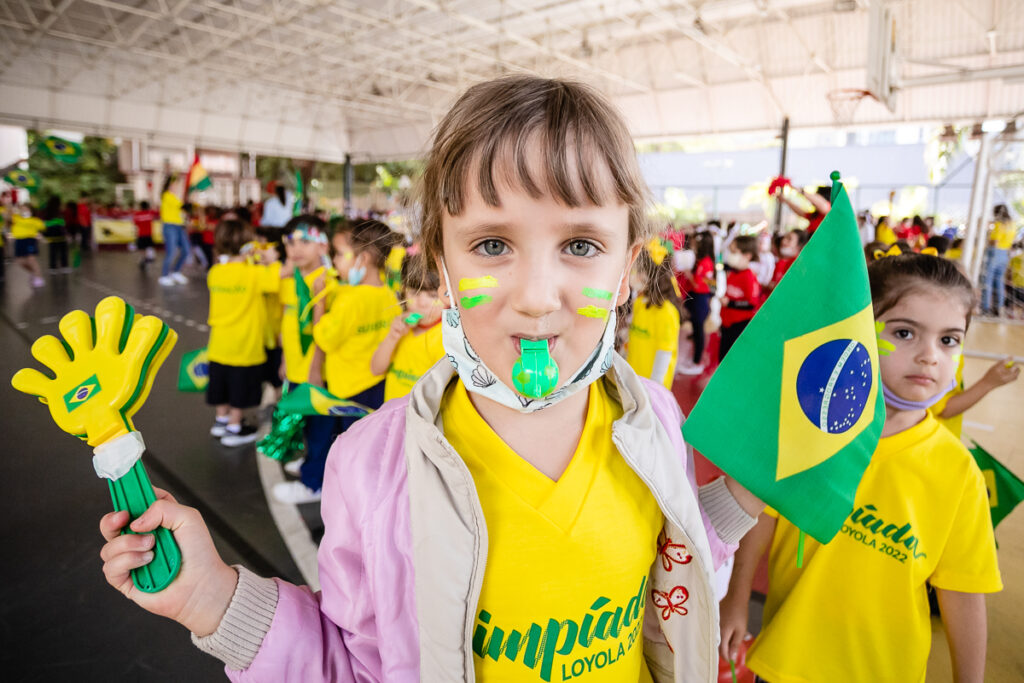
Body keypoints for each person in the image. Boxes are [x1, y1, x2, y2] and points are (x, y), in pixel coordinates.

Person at [98, 75, 762, 681]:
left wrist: (737, 499)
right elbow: (353, 660)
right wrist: (215, 598)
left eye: (581, 245)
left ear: (624, 273)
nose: (536, 296)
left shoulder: (653, 419)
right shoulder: (370, 466)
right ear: (442, 270)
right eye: (492, 245)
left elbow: (672, 559)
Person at [720, 252, 1002, 683]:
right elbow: (764, 516)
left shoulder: (958, 471)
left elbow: (963, 591)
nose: (930, 356)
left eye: (949, 340)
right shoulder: (813, 429)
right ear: (860, 330)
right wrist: (736, 598)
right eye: (905, 332)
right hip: (785, 661)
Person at [272, 218, 401, 504]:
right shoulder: (386, 293)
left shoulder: (349, 301)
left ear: (363, 259)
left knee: (342, 442)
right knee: (358, 444)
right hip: (373, 383)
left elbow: (325, 337)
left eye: (340, 254)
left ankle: (321, 487)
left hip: (346, 388)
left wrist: (319, 305)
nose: (335, 262)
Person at [205, 218, 281, 447]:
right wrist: (271, 259)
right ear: (248, 245)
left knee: (221, 384)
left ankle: (221, 420)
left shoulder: (215, 272)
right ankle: (234, 427)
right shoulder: (254, 274)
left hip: (219, 344)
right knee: (239, 388)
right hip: (245, 344)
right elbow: (276, 281)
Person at [275, 215, 336, 478]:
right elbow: (286, 321)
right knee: (304, 421)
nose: (296, 249)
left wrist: (316, 367)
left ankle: (315, 479)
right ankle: (310, 462)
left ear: (323, 245)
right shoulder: (290, 281)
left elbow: (325, 332)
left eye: (305, 242)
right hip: (296, 367)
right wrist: (284, 360)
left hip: (318, 371)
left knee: (321, 427)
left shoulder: (328, 282)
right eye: (290, 243)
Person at [370, 252, 444, 402]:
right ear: (403, 290)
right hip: (392, 412)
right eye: (414, 293)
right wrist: (392, 337)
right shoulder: (399, 326)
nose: (422, 303)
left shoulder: (445, 337)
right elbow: (376, 369)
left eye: (433, 296)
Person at [626, 244, 682, 389]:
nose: (631, 275)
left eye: (636, 271)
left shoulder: (666, 312)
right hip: (634, 377)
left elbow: (664, 353)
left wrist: (655, 386)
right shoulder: (639, 302)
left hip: (651, 385)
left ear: (649, 275)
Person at [719, 235, 760, 361]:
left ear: (747, 255)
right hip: (727, 323)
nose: (730, 255)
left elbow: (752, 304)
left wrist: (730, 303)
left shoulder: (749, 276)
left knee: (732, 359)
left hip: (739, 325)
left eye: (734, 252)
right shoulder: (733, 272)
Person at [679, 231, 715, 373]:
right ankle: (694, 358)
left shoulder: (707, 263)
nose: (693, 244)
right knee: (695, 328)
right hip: (695, 298)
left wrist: (689, 275)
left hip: (700, 299)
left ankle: (696, 361)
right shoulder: (701, 260)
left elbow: (703, 285)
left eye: (695, 242)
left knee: (699, 331)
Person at [980, 204, 1016, 316]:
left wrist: (987, 240)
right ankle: (998, 307)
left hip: (994, 252)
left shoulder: (998, 225)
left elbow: (994, 241)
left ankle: (985, 307)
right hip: (1005, 254)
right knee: (999, 281)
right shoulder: (1012, 225)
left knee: (987, 280)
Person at [159, 176, 188, 286]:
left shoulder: (175, 197)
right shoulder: (166, 196)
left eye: (177, 184)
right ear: (169, 185)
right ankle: (164, 275)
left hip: (179, 226)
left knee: (186, 250)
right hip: (170, 226)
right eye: (174, 184)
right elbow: (183, 207)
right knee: (171, 252)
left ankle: (176, 272)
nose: (176, 186)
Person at [11, 204, 45, 287]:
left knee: (31, 259)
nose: (24, 211)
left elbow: (42, 227)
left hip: (30, 240)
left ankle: (39, 277)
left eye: (26, 209)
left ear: (31, 211)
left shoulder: (35, 220)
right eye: (22, 209)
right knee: (20, 261)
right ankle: (33, 272)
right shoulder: (16, 218)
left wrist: (39, 235)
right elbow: (8, 217)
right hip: (19, 241)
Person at [41, 196, 69, 273]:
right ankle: (64, 266)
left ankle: (52, 267)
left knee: (52, 251)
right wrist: (66, 233)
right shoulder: (59, 212)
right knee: (63, 250)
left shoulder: (47, 211)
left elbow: (45, 223)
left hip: (51, 234)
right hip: (60, 234)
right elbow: (62, 224)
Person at [132, 200, 158, 269]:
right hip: (149, 234)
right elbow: (157, 213)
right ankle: (149, 257)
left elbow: (135, 224)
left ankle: (143, 258)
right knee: (149, 246)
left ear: (141, 206)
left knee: (141, 247)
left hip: (141, 234)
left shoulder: (137, 214)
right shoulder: (150, 213)